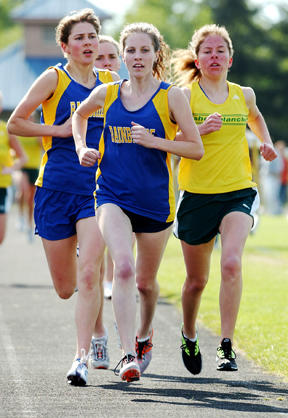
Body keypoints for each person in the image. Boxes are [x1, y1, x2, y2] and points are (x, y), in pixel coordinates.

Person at [72, 22, 204, 382]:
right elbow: (79, 116)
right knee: (124, 269)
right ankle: (128, 354)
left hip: (156, 203)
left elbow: (196, 148)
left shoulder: (172, 97)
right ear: (123, 55)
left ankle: (144, 336)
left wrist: (156, 141)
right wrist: (83, 147)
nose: (137, 57)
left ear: (156, 54)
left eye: (144, 50)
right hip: (111, 195)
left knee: (146, 283)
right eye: (130, 50)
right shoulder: (107, 92)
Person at [7, 8, 118, 386]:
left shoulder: (110, 82)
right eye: (80, 39)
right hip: (54, 189)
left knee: (90, 273)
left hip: (97, 190)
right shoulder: (53, 78)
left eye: (92, 37)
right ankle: (96, 321)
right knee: (66, 288)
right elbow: (16, 122)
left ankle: (82, 356)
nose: (88, 44)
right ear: (65, 46)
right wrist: (59, 131)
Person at [172, 24, 277, 374]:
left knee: (231, 262)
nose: (214, 56)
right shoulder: (184, 96)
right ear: (197, 60)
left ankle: (226, 345)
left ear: (230, 58)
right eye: (207, 51)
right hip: (196, 196)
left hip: (238, 191)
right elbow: (167, 138)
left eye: (220, 51)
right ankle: (188, 333)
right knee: (196, 282)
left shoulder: (243, 94)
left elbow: (257, 117)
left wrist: (265, 142)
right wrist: (198, 130)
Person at [88, 34, 122, 371]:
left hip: (118, 189)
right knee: (90, 270)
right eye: (100, 58)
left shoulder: (128, 94)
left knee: (126, 266)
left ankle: (135, 338)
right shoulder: (82, 97)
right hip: (84, 187)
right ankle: (98, 334)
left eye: (112, 57)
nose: (106, 63)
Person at [0, 92, 27, 245]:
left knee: (0, 237)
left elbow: (23, 158)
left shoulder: (6, 130)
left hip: (2, 186)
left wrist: (11, 168)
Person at [16, 113, 42, 242]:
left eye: (31, 117)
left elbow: (43, 147)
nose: (29, 118)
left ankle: (29, 224)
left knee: (31, 199)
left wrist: (39, 136)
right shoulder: (20, 131)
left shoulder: (37, 131)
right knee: (23, 192)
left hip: (34, 167)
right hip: (22, 168)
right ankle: (20, 217)